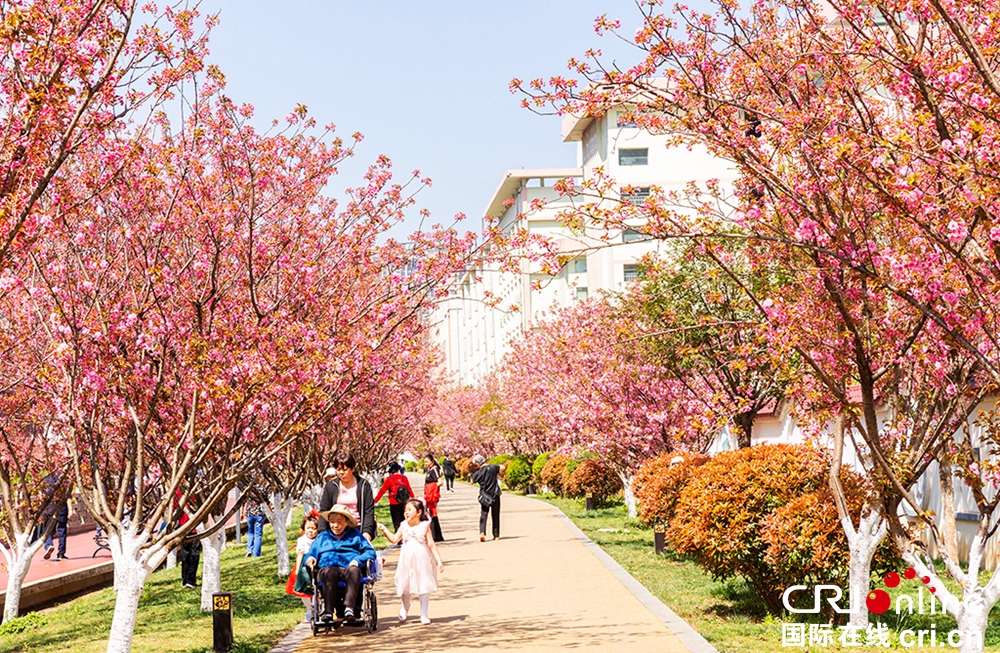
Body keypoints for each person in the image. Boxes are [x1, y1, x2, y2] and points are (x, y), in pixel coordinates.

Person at [377, 499, 444, 625]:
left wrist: (439, 561)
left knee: (423, 585)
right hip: (406, 560)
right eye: (405, 510)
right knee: (406, 586)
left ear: (419, 512)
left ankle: (424, 614)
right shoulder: (403, 525)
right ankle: (405, 606)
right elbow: (394, 539)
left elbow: (431, 545)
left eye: (409, 510)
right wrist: (384, 529)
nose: (406, 513)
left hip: (422, 560)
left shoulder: (424, 526)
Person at [305, 505, 377, 622]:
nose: (335, 525)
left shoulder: (355, 535)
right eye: (332, 522)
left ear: (347, 522)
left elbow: (370, 552)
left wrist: (357, 561)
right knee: (329, 571)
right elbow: (309, 554)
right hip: (327, 569)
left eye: (339, 521)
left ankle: (349, 609)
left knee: (354, 570)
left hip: (348, 568)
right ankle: (328, 612)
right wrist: (310, 559)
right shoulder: (322, 537)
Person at [319, 451, 376, 541]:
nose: (341, 473)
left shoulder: (363, 485)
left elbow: (368, 511)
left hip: (357, 530)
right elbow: (324, 510)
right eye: (338, 470)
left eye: (345, 470)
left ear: (352, 469)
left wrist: (366, 532)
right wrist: (322, 533)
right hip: (337, 529)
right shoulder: (331, 486)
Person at [286, 512, 319, 621]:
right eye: (308, 528)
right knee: (304, 589)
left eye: (314, 528)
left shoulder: (319, 539)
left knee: (318, 587)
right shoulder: (301, 540)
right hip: (304, 567)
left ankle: (319, 606)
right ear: (304, 528)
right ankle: (309, 609)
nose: (311, 531)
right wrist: (297, 570)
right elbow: (300, 554)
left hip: (317, 565)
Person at [373, 462, 415, 532]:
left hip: (394, 503)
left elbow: (382, 491)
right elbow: (409, 489)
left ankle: (398, 538)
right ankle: (405, 536)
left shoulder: (389, 479)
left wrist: (375, 501)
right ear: (398, 470)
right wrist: (413, 499)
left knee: (396, 522)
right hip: (404, 503)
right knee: (404, 520)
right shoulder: (404, 478)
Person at [471, 454, 502, 542]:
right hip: (495, 495)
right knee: (495, 514)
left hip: (485, 496)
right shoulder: (493, 467)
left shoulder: (478, 473)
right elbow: (503, 467)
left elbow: (472, 481)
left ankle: (482, 532)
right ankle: (496, 535)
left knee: (484, 514)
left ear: (478, 464)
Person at [422, 453, 444, 542]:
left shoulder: (434, 469)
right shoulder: (430, 470)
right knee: (431, 513)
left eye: (427, 461)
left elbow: (440, 482)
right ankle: (436, 535)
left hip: (432, 496)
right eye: (424, 462)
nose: (425, 463)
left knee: (432, 514)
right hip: (429, 496)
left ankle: (435, 536)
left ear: (432, 461)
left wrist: (431, 488)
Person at [243, 485, 269, 557]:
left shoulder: (248, 488)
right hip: (259, 514)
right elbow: (266, 501)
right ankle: (256, 554)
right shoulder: (262, 489)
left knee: (250, 533)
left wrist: (242, 512)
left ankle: (249, 550)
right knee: (258, 535)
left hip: (249, 514)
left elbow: (243, 501)